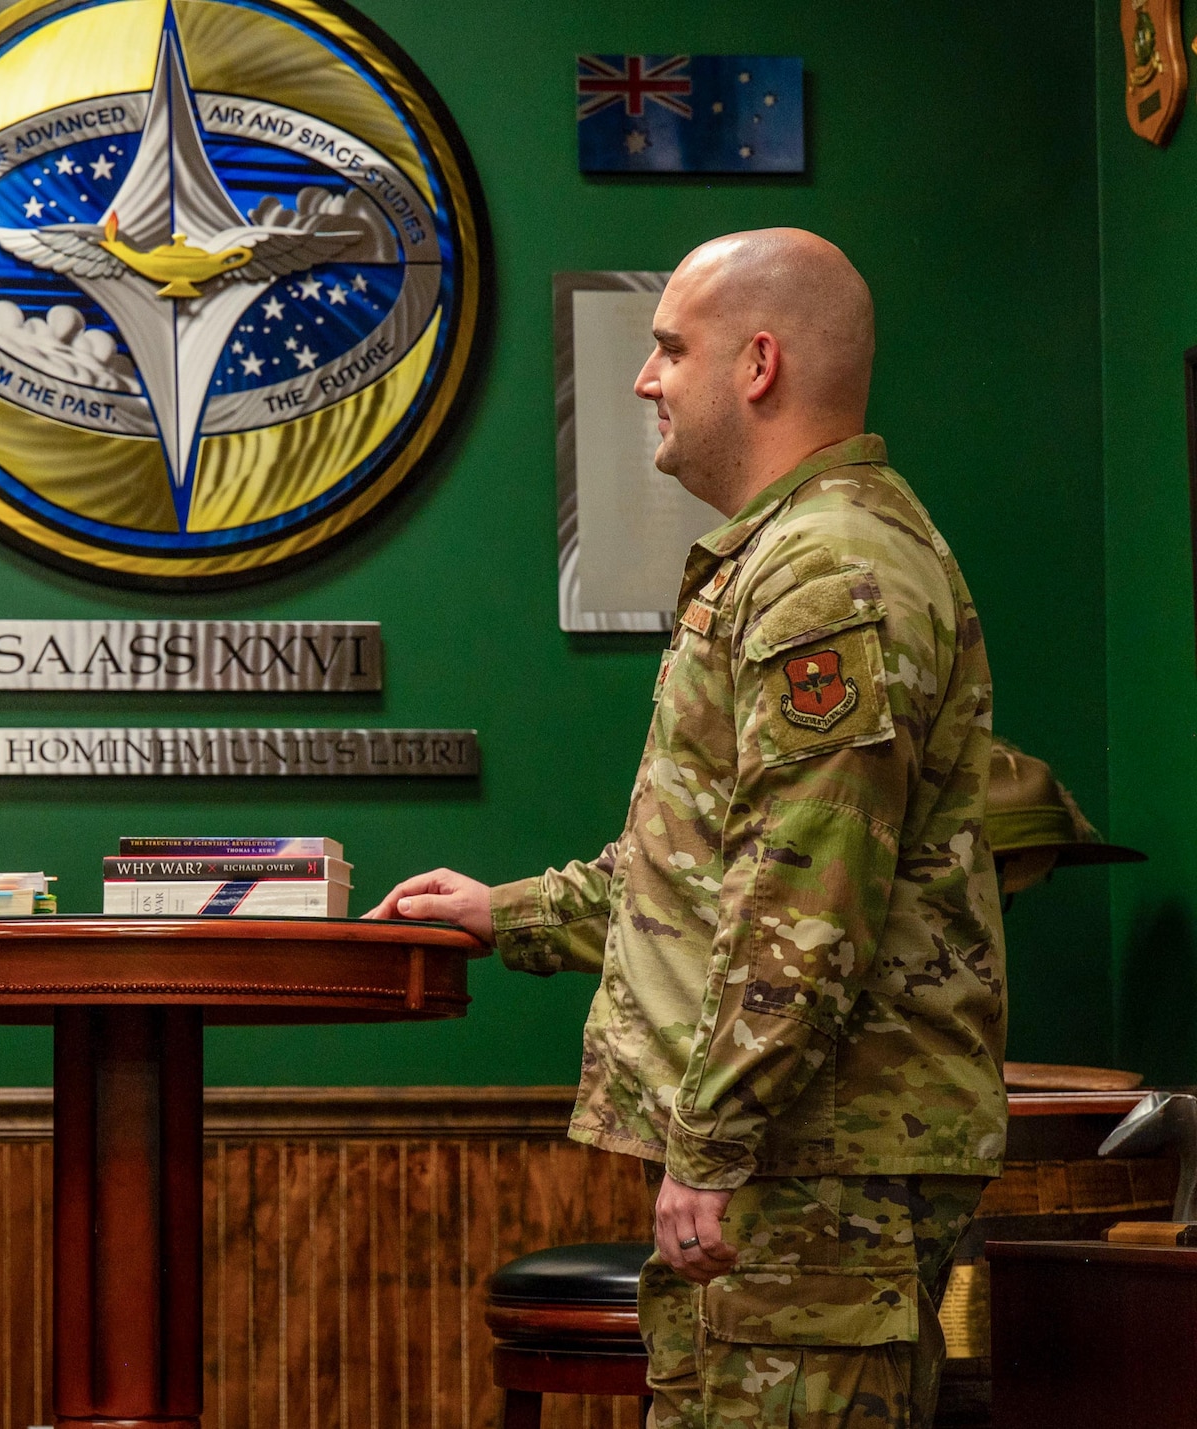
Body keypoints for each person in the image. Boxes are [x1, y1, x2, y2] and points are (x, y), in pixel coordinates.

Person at [369, 230, 1005, 1428]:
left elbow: (802, 896)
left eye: (668, 347)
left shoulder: (828, 572)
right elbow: (711, 858)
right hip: (787, 1161)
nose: (642, 379)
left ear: (755, 363)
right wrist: (505, 911)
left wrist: (710, 1142)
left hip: (810, 1167)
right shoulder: (789, 551)